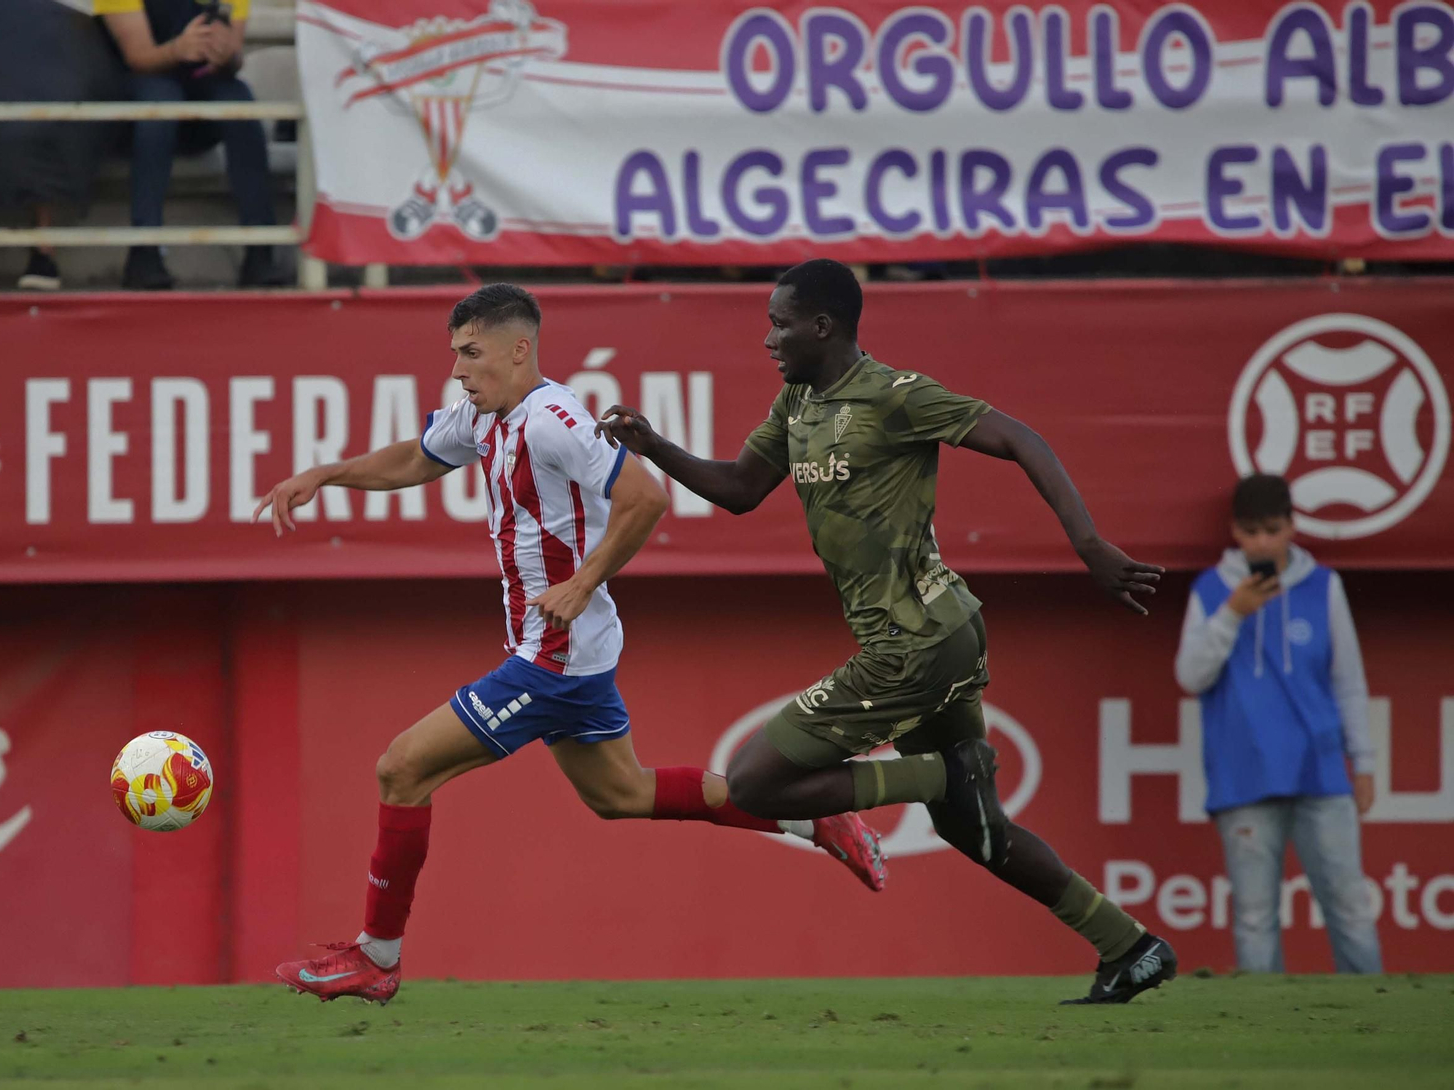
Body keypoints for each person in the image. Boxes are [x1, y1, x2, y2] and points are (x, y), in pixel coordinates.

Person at [252, 284, 885, 1005]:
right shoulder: (484, 416)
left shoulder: (553, 419)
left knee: (401, 769)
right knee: (623, 793)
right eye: (454, 353)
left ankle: (376, 956)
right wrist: (325, 474)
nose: (459, 369)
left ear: (519, 350)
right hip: (572, 651)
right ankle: (813, 816)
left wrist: (582, 583)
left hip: (551, 656)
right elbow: (415, 459)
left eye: (472, 353)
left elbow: (644, 498)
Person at [597, 258, 1176, 1006]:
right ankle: (1129, 947)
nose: (769, 338)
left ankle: (938, 776)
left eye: (780, 322)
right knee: (976, 831)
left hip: (918, 644)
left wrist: (1089, 545)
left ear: (823, 325)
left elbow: (1022, 439)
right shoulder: (798, 402)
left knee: (751, 781)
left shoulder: (896, 396)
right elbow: (740, 489)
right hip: (935, 641)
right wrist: (654, 446)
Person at [1174, 473, 1382, 974]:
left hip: (1321, 770)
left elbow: (1348, 680)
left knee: (1350, 905)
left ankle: (1375, 1017)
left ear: (1292, 526)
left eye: (1271, 528)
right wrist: (1232, 613)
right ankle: (1260, 1028)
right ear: (1234, 532)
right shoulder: (1212, 590)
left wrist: (1366, 761)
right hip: (1245, 773)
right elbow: (1190, 676)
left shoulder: (1324, 587)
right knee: (1253, 915)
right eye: (1250, 531)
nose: (1262, 542)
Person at [97, 0, 285, 289]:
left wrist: (225, 56)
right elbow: (137, 56)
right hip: (131, 106)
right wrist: (178, 49)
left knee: (238, 100)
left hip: (196, 100)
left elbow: (235, 59)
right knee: (161, 98)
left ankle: (260, 250)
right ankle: (144, 252)